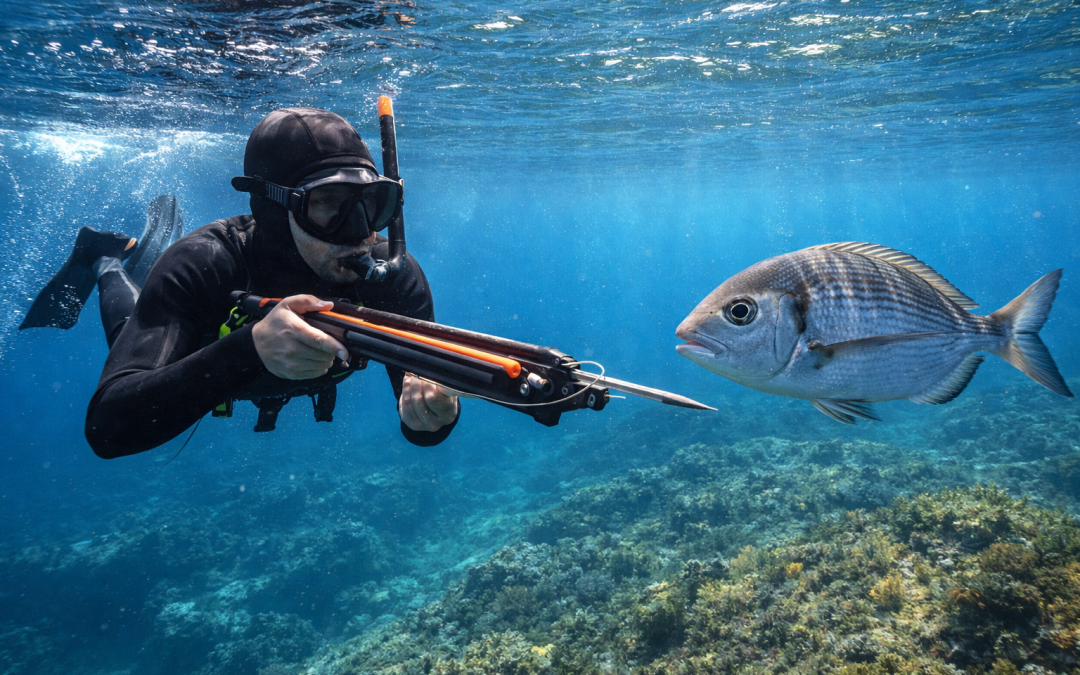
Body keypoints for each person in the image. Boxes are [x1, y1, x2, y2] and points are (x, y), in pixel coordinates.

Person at [22, 108, 460, 458]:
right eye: (328, 206)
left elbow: (422, 424)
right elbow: (108, 430)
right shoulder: (205, 261)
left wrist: (433, 417)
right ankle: (104, 260)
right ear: (274, 209)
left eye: (373, 204)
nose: (360, 233)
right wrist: (248, 349)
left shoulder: (391, 275)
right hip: (197, 349)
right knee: (127, 327)